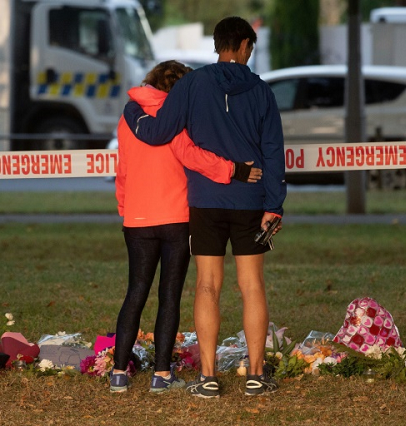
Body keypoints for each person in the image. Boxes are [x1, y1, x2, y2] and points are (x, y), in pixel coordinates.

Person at [123, 17, 286, 397]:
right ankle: (257, 375)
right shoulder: (263, 91)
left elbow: (159, 132)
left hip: (204, 202)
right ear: (245, 45)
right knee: (251, 286)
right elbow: (274, 154)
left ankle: (207, 376)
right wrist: (274, 206)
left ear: (217, 45)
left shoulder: (192, 83)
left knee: (207, 285)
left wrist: (133, 111)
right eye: (251, 47)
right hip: (252, 201)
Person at [111, 60, 262, 394]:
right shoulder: (176, 116)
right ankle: (161, 375)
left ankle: (119, 373)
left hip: (136, 219)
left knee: (135, 293)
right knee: (169, 296)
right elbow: (192, 156)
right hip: (176, 218)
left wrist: (125, 207)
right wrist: (233, 170)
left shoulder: (128, 118)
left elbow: (122, 169)